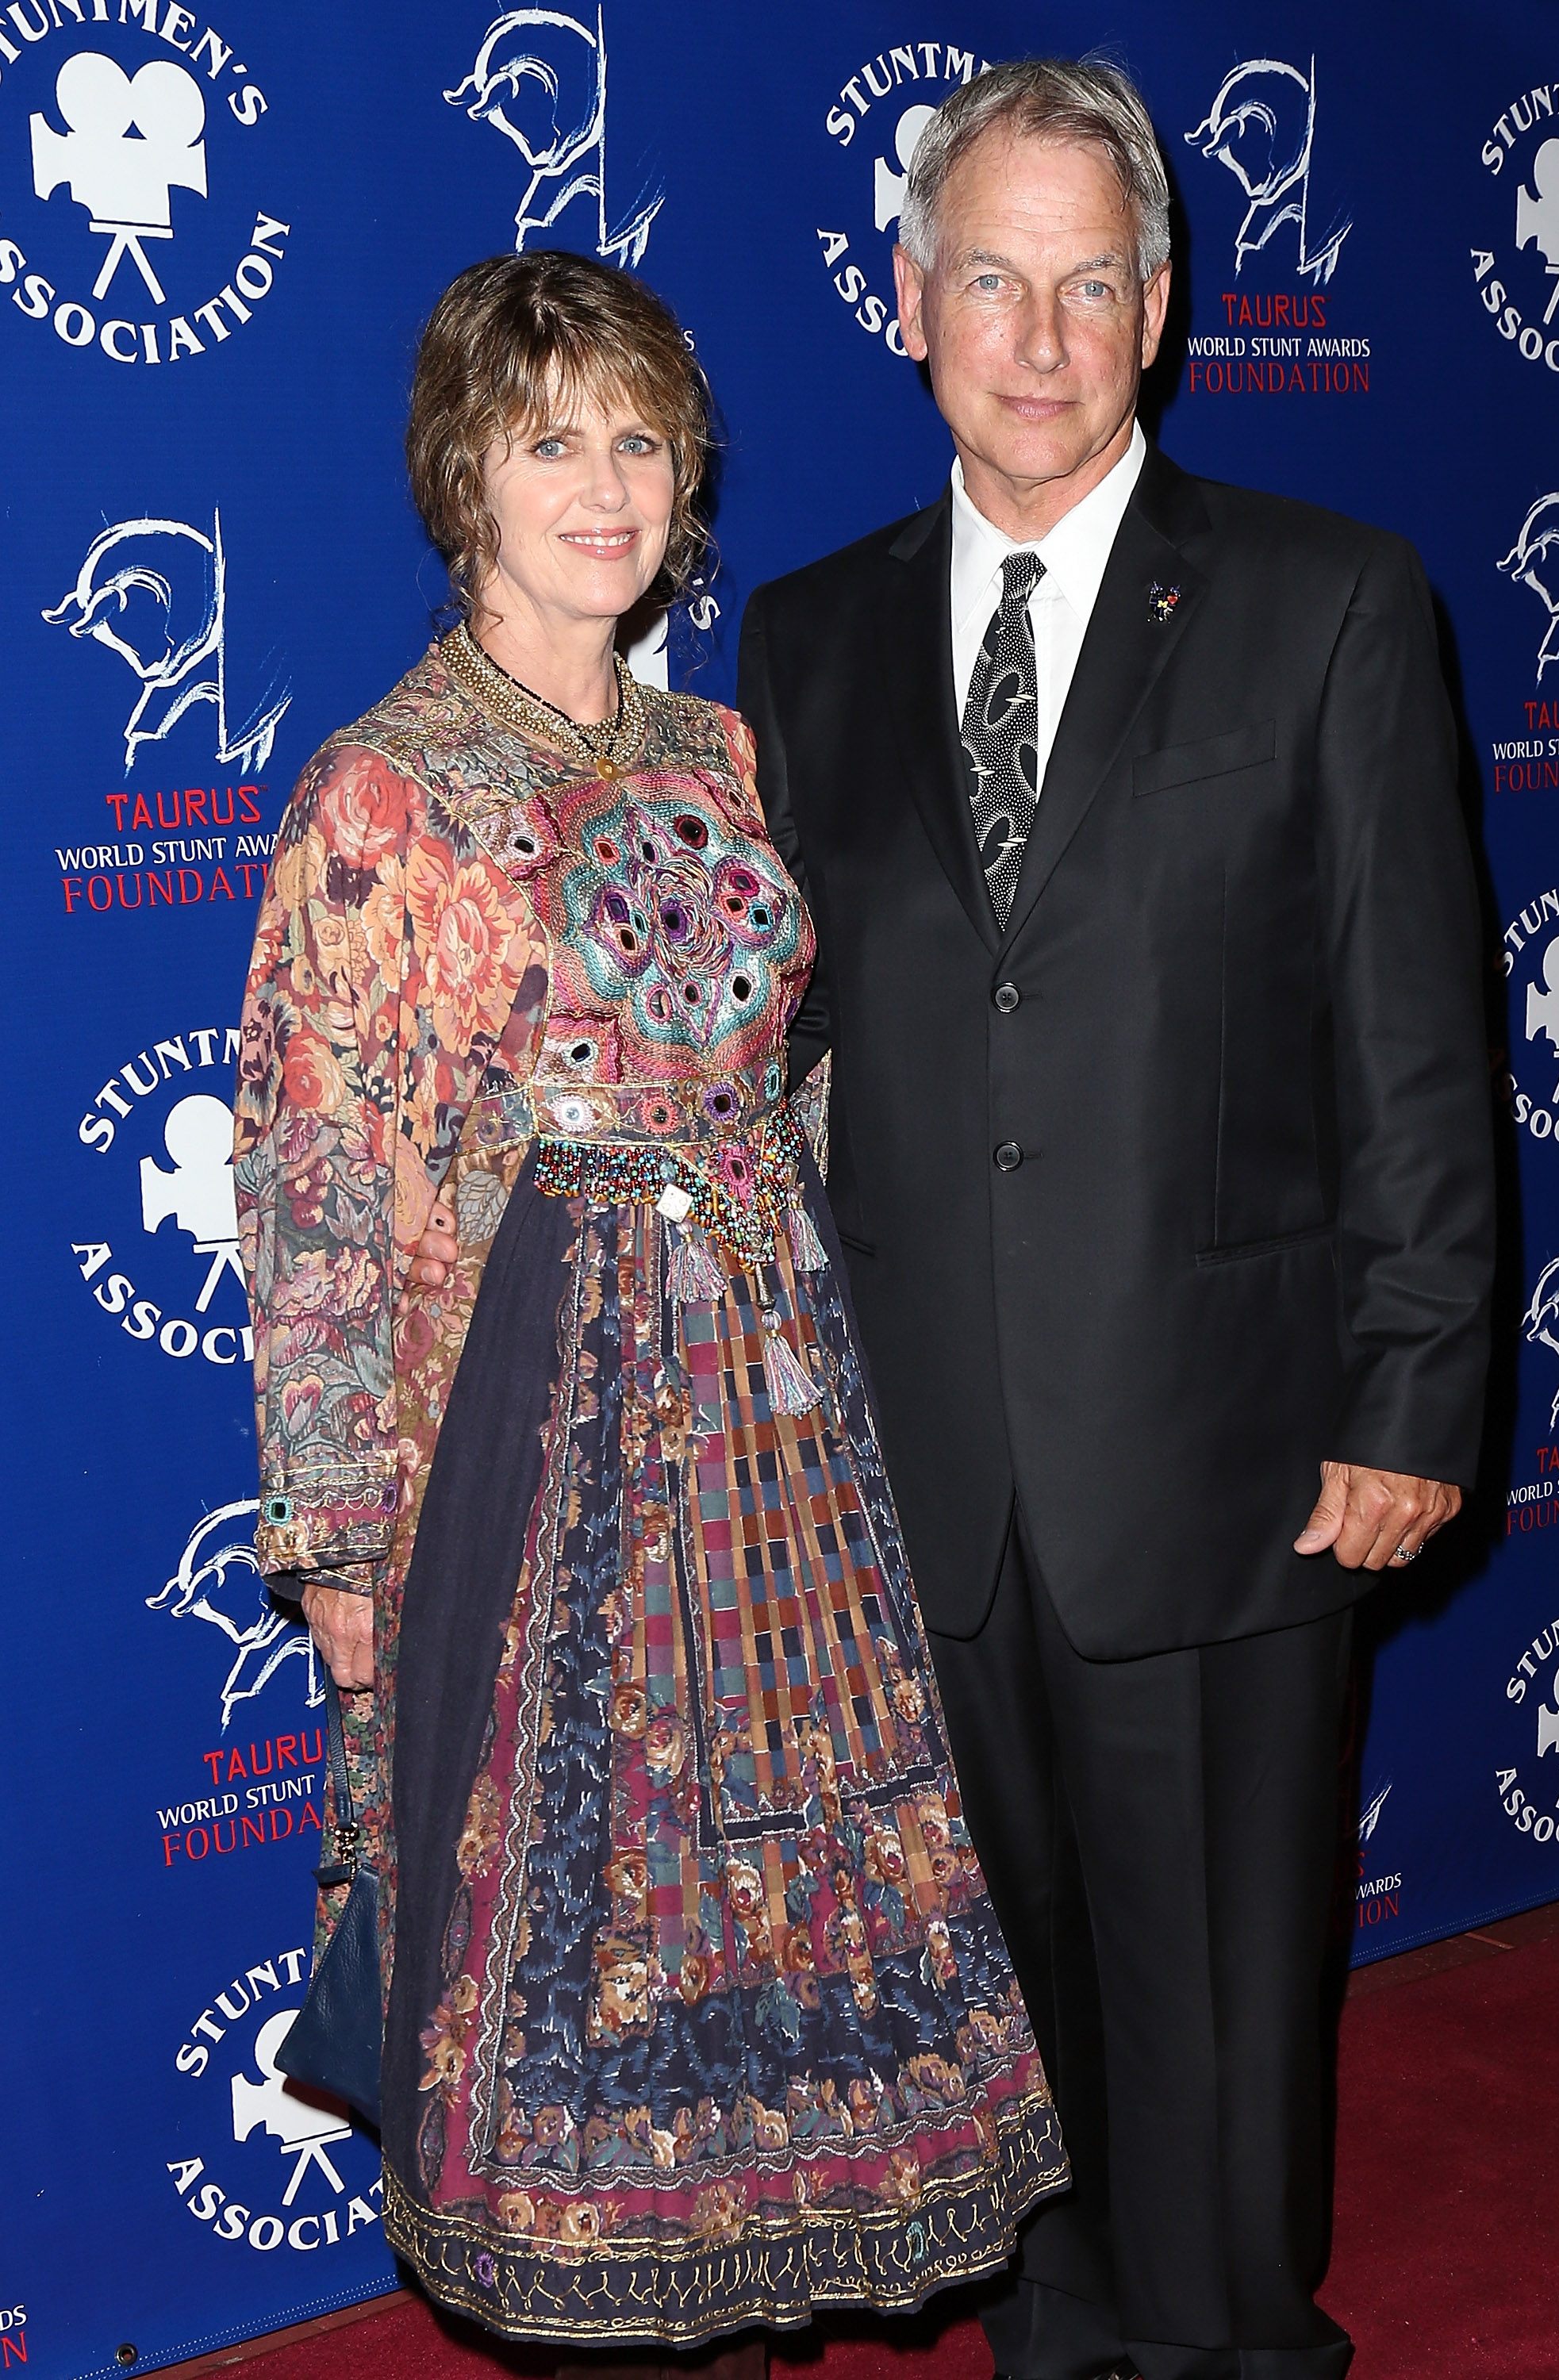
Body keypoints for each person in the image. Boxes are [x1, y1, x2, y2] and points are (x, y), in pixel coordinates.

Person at [735, 59, 1496, 2380]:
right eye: (993, 278)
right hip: (929, 1466)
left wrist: (1415, 1387)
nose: (1040, 335)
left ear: (1162, 309)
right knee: (1015, 1998)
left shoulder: (1329, 606)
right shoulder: (804, 638)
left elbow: (1419, 1047)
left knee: (1223, 2011)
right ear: (907, 301)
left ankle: (1244, 2349)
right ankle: (1065, 2345)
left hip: (1235, 1454)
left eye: (1091, 283)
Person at [232, 249, 1067, 2363]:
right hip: (518, 1465)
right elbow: (314, 1181)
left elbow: (802, 1079)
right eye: (549, 441)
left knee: (773, 1926)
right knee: (562, 1953)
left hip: (774, 1459)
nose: (602, 486)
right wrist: (333, 1533)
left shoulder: (731, 749)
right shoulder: (379, 793)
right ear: (463, 479)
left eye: (634, 436)